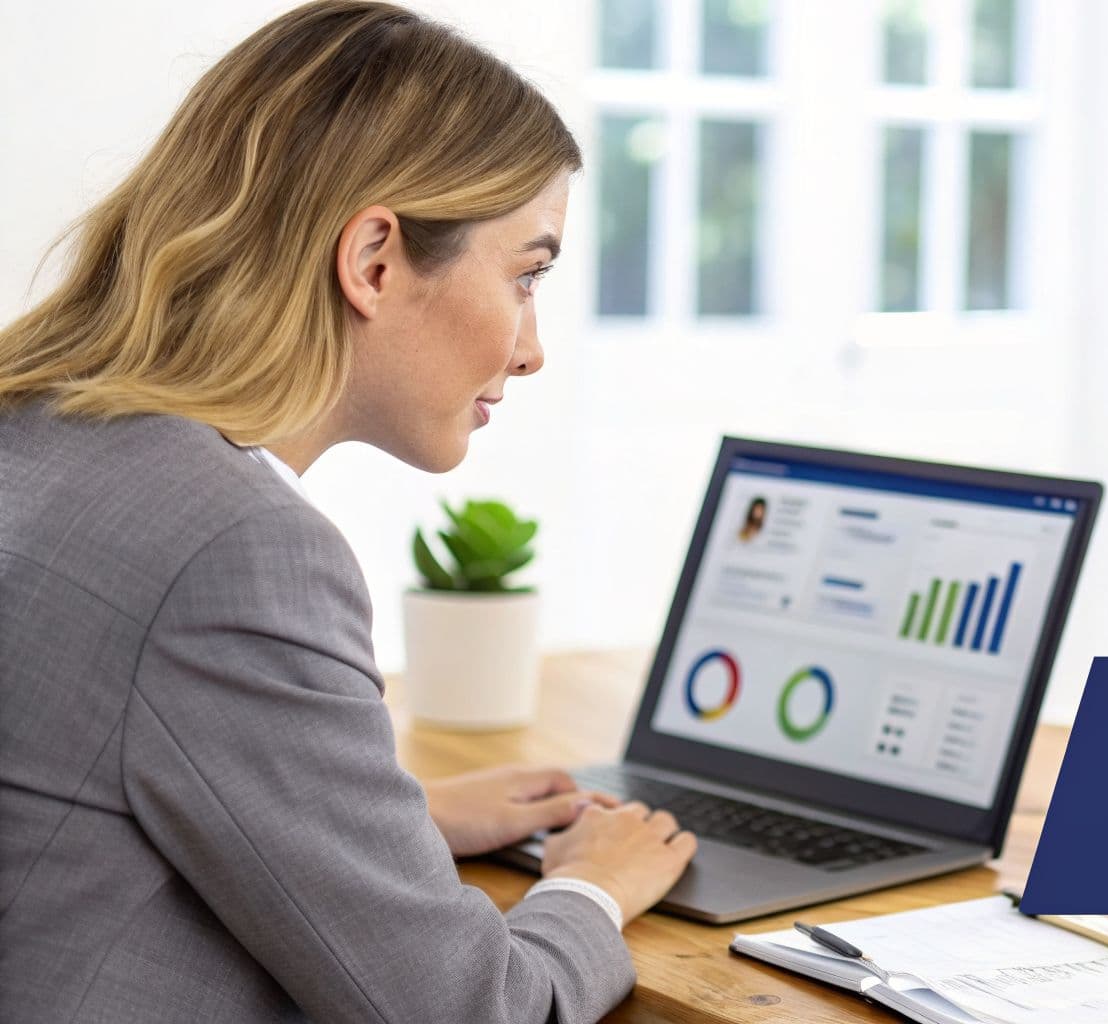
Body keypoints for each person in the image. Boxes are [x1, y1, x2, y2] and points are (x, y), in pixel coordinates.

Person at [0, 3, 696, 1020]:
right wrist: (592, 884)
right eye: (527, 274)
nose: (530, 346)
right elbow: (470, 1009)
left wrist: (387, 826)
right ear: (372, 259)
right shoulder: (233, 551)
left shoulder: (35, 429)